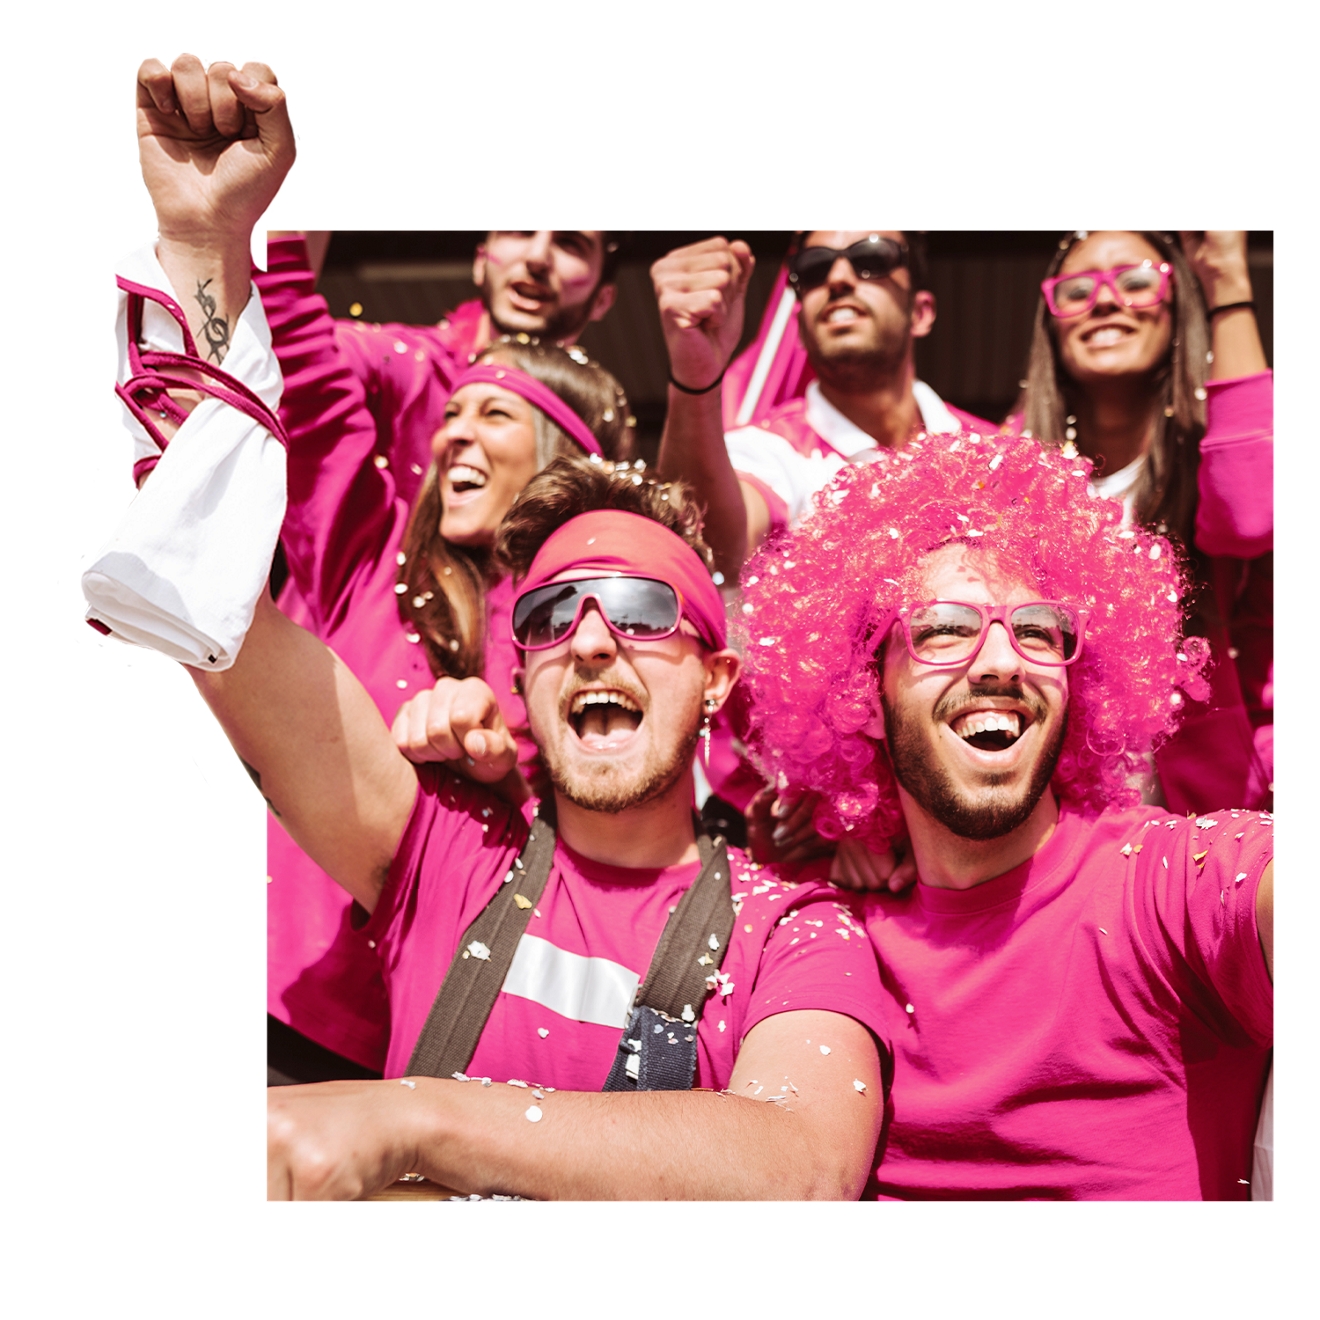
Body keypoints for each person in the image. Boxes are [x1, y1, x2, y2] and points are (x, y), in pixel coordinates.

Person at [130, 54, 637, 1086]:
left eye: (492, 415)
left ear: (563, 459)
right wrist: (224, 229)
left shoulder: (587, 634)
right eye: (448, 413)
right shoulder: (365, 550)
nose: (451, 433)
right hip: (251, 1004)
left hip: (432, 1050)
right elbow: (301, 375)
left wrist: (508, 771)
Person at [740, 433, 1273, 1199]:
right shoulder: (824, 938)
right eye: (944, 628)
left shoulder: (1166, 885)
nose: (1000, 661)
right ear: (863, 689)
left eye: (1036, 630)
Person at [1013, 230, 1272, 815]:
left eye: (1135, 282)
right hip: (1058, 835)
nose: (1105, 301)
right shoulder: (1010, 468)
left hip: (1210, 831)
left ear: (1177, 304)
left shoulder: (1219, 448)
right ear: (1050, 324)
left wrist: (1226, 280)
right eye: (1077, 290)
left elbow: (1251, 514)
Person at [653, 231, 995, 581]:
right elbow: (712, 548)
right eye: (814, 267)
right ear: (799, 330)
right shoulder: (768, 449)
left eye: (872, 259)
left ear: (921, 313)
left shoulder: (998, 453)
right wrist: (694, 375)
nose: (838, 278)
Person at [258, 227, 624, 513]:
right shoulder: (403, 362)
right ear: (479, 262)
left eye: (570, 244)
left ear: (604, 298)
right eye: (520, 231)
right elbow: (285, 347)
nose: (538, 257)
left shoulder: (596, 423)